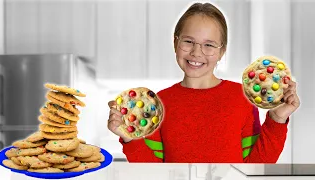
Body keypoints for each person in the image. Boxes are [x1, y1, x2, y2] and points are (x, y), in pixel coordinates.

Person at [107, 2, 300, 163]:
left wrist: (277, 118)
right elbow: (153, 171)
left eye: (208, 45)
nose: (196, 52)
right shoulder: (158, 104)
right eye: (188, 41)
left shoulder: (241, 98)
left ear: (221, 51)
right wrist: (128, 136)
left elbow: (258, 164)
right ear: (176, 43)